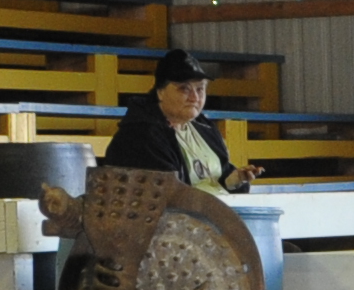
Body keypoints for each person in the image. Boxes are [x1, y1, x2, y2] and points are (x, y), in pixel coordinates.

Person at [99, 49, 255, 189]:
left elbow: (219, 176)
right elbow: (168, 195)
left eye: (200, 89)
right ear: (160, 92)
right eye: (184, 89)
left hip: (215, 212)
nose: (195, 97)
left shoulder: (204, 127)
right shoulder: (140, 135)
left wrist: (234, 181)